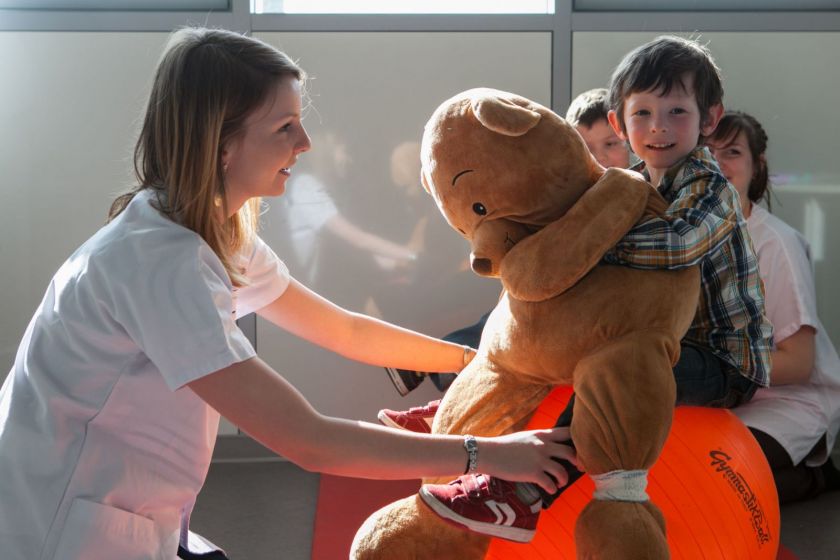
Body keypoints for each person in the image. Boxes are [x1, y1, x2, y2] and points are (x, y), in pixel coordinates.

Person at [0, 27, 577, 560]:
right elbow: (309, 441)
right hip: (56, 526)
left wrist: (482, 368)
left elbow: (345, 330)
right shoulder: (159, 263)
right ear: (220, 144)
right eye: (284, 127)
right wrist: (486, 453)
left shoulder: (211, 231)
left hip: (125, 512)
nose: (304, 143)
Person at [417, 35, 773, 543]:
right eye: (643, 112)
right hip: (652, 338)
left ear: (708, 120)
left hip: (719, 360)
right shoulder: (627, 182)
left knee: (607, 378)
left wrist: (584, 245)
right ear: (618, 124)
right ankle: (463, 413)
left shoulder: (709, 187)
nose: (658, 127)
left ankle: (523, 492)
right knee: (536, 335)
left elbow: (677, 245)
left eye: (677, 112)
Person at [379, 87, 632, 407]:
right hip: (553, 308)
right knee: (508, 309)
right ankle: (444, 377)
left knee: (516, 321)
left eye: (610, 145)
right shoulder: (566, 202)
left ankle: (444, 371)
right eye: (587, 147)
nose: (600, 157)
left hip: (598, 316)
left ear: (629, 142)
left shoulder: (633, 192)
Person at [706, 110, 840, 504]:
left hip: (787, 400)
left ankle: (814, 478)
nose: (716, 164)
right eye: (706, 152)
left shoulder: (775, 243)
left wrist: (708, 371)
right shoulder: (686, 238)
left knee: (717, 484)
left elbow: (798, 363)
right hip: (723, 401)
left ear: (756, 166)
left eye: (731, 152)